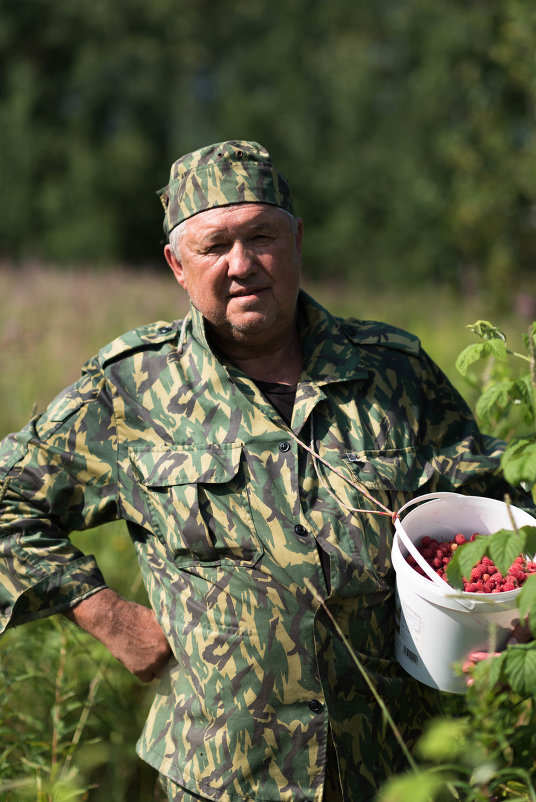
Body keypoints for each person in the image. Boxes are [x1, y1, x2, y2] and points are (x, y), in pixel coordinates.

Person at [0, 140, 524, 802]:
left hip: (392, 768)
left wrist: (505, 610)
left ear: (298, 242)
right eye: (215, 246)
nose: (243, 264)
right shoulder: (132, 389)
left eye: (262, 237)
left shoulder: (393, 371)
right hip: (222, 776)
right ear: (177, 266)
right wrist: (105, 615)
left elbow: (487, 506)